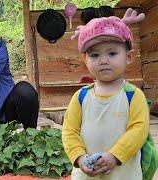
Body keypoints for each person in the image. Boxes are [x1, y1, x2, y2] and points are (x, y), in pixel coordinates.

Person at [62, 9, 149, 179]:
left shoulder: (133, 95)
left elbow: (139, 130)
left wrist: (115, 156)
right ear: (85, 60)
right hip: (87, 174)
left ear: (129, 57)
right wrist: (79, 158)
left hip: (123, 174)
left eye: (112, 53)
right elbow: (69, 131)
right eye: (95, 55)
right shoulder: (81, 97)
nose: (103, 60)